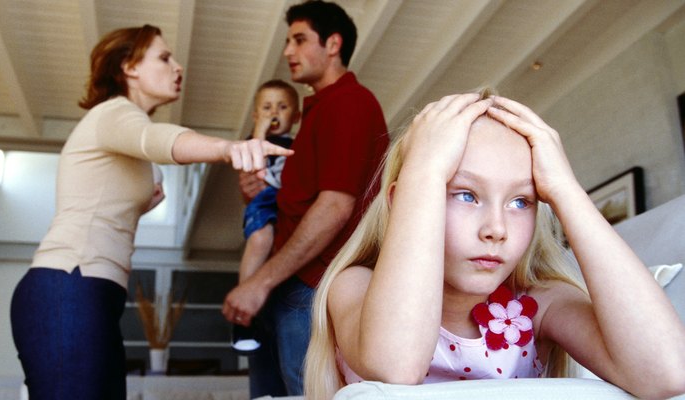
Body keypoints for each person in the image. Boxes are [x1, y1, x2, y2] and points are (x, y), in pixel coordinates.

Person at [303, 91, 685, 399]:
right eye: (466, 194)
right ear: (405, 201)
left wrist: (566, 191)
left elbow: (668, 373)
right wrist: (426, 171)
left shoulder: (538, 304)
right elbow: (394, 369)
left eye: (522, 202)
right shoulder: (355, 285)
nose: (496, 229)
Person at [9, 24, 292, 400]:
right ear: (129, 67)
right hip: (68, 282)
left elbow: (108, 193)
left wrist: (142, 204)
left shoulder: (124, 131)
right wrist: (229, 148)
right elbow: (156, 140)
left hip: (94, 290)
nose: (177, 66)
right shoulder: (113, 113)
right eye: (164, 57)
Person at [222, 1, 390, 396]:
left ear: (333, 44)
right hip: (292, 284)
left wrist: (259, 282)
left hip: (314, 286)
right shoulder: (317, 111)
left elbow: (335, 206)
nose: (287, 52)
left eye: (299, 40)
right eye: (287, 41)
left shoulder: (349, 102)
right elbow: (295, 202)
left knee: (307, 395)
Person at [232, 79, 300, 354]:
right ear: (256, 115)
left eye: (282, 107)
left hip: (286, 205)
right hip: (264, 200)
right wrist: (260, 127)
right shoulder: (254, 144)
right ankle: (243, 317)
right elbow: (252, 165)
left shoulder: (296, 145)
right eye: (267, 108)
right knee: (260, 240)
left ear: (295, 117)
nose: (274, 113)